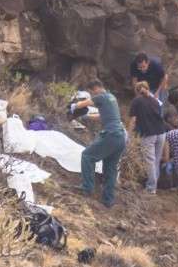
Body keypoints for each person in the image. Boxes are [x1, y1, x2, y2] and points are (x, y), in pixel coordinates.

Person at [71, 79, 127, 208]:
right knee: (110, 168)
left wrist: (74, 106)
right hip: (121, 137)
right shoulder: (111, 98)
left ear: (96, 88)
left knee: (87, 156)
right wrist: (85, 117)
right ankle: (108, 200)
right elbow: (102, 116)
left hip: (111, 135)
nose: (92, 95)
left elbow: (86, 103)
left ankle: (87, 188)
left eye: (92, 92)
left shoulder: (101, 96)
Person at [128, 81, 167, 195]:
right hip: (161, 132)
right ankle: (154, 186)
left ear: (136, 91)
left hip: (149, 134)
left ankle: (151, 188)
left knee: (149, 161)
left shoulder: (136, 101)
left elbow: (133, 120)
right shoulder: (155, 100)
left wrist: (129, 135)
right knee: (156, 159)